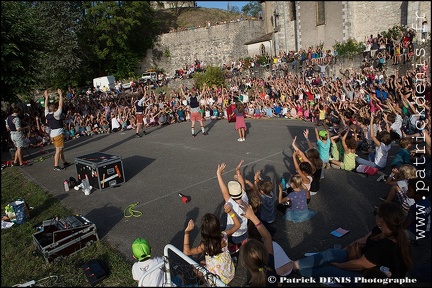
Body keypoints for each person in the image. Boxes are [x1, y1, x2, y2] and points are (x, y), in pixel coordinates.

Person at [292, 202, 412, 281]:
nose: (375, 215)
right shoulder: (381, 228)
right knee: (331, 253)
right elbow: (363, 240)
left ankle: (296, 271)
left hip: (374, 279)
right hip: (366, 263)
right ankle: (293, 265)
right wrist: (343, 252)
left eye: (376, 213)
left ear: (382, 219)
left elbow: (359, 264)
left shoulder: (387, 246)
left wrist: (339, 264)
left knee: (330, 270)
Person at [182, 203, 240, 285]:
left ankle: (207, 283)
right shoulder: (224, 235)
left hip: (216, 278)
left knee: (195, 268)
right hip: (229, 273)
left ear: (204, 231)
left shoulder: (205, 245)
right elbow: (237, 225)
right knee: (202, 262)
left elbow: (187, 252)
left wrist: (187, 232)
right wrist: (230, 212)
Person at [238, 200, 279, 287]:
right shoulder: (269, 265)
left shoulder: (269, 263)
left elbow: (267, 238)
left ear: (244, 264)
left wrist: (252, 217)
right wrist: (253, 217)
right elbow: (267, 237)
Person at [216, 161, 249, 251]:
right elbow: (242, 184)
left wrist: (218, 174)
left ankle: (232, 247)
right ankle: (241, 243)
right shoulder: (245, 198)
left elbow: (224, 191)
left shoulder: (232, 203)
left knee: (218, 232)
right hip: (244, 232)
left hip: (234, 235)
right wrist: (238, 171)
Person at [44, 89, 71, 171]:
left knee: (60, 149)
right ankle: (56, 166)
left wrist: (46, 97)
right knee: (58, 150)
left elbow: (45, 106)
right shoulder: (57, 114)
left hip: (52, 134)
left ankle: (64, 161)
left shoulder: (47, 115)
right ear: (55, 109)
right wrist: (60, 95)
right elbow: (60, 105)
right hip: (58, 134)